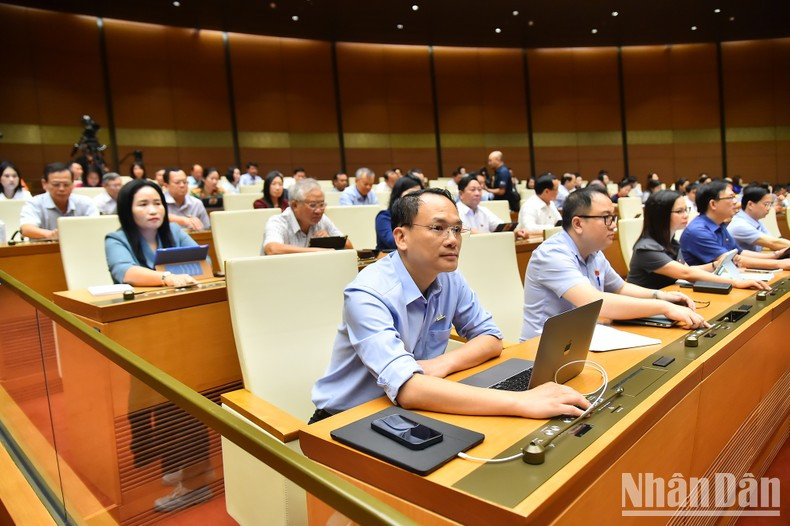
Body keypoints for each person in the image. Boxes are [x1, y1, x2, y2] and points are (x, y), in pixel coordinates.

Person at [310, 188, 590, 423]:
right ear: (401, 237)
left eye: (457, 229)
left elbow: (491, 338)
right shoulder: (368, 293)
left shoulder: (449, 277)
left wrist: (440, 364)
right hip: (347, 419)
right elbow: (408, 389)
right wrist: (521, 402)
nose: (453, 240)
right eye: (438, 228)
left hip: (409, 408)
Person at [521, 188, 707, 341]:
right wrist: (664, 307)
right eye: (606, 218)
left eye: (613, 217)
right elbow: (594, 302)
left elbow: (621, 288)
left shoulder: (594, 252)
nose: (613, 225)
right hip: (541, 349)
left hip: (581, 340)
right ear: (577, 223)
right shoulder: (552, 254)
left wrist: (662, 296)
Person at [627, 190, 769, 291]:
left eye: (686, 209)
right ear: (661, 215)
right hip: (643, 309)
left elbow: (687, 269)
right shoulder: (646, 249)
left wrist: (716, 264)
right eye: (679, 211)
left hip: (666, 298)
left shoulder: (671, 242)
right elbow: (686, 274)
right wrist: (735, 282)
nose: (685, 215)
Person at [105, 178, 204, 287]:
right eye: (143, 204)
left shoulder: (174, 231)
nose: (153, 211)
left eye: (157, 203)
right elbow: (125, 272)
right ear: (127, 210)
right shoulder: (116, 240)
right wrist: (167, 277)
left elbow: (204, 261)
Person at [679, 180, 790, 269]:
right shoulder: (698, 231)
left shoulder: (720, 224)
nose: (736, 202)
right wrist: (779, 263)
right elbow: (729, 260)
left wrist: (775, 256)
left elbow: (739, 253)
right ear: (713, 204)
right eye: (731, 197)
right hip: (704, 287)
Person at [263, 178, 352, 255]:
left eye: (321, 205)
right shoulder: (278, 222)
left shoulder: (322, 219)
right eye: (312, 205)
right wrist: (317, 251)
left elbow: (349, 246)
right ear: (295, 205)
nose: (318, 211)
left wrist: (331, 241)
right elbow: (272, 249)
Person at [19, 162, 99, 239]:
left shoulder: (85, 202)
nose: (61, 189)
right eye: (56, 184)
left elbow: (97, 225)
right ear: (44, 184)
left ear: (73, 184)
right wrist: (50, 234)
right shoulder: (34, 203)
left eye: (66, 184)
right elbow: (26, 229)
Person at [457, 175, 528, 238]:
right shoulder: (455, 211)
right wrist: (486, 236)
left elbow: (500, 226)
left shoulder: (483, 210)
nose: (477, 193)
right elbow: (462, 231)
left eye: (479, 190)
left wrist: (516, 231)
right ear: (461, 194)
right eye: (473, 190)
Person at [727, 184, 790, 252]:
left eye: (770, 204)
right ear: (750, 205)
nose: (769, 208)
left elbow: (773, 241)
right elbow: (773, 243)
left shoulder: (755, 220)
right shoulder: (740, 225)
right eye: (766, 204)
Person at [375, 176, 422, 252]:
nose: (416, 199)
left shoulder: (419, 217)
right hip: (388, 257)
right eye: (411, 194)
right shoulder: (384, 216)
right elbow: (392, 242)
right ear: (398, 195)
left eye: (419, 195)